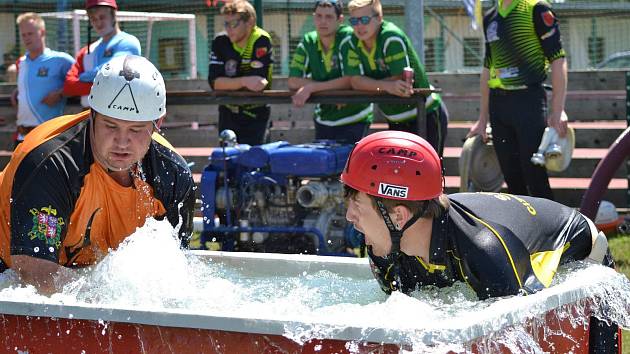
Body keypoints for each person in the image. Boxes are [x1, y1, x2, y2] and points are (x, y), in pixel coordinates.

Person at [341, 130, 620, 353]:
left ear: (398, 216)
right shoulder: (385, 248)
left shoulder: (484, 251)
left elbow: (522, 339)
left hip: (581, 254)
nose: (349, 215)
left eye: (357, 203)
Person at [0, 55, 195, 295]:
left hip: (83, 273)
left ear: (158, 123)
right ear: (91, 114)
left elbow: (179, 269)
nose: (122, 142)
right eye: (110, 126)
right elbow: (36, 273)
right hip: (9, 267)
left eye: (136, 129)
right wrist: (109, 295)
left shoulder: (172, 174)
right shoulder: (51, 163)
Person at [467, 0, 568, 199]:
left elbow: (558, 59)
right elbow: (488, 68)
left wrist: (558, 110)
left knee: (535, 176)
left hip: (528, 102)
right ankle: (523, 229)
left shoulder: (537, 9)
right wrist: (482, 118)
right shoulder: (490, 17)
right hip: (499, 106)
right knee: (512, 179)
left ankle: (551, 229)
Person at [343, 0, 448, 156]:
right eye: (354, 21)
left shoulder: (390, 37)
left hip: (426, 114)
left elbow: (399, 78)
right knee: (399, 176)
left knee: (430, 173)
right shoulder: (351, 41)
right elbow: (355, 81)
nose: (359, 26)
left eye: (364, 20)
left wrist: (369, 84)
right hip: (395, 119)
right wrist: (385, 86)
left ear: (379, 18)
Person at [288, 0, 372, 144]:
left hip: (355, 117)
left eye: (329, 17)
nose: (323, 21)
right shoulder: (308, 40)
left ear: (340, 19)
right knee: (324, 165)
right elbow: (293, 80)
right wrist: (333, 91)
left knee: (351, 166)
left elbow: (351, 79)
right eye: (319, 16)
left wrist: (311, 87)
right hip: (323, 118)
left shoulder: (349, 37)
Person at [208, 0, 274, 146]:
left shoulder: (261, 39)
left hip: (256, 113)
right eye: (226, 24)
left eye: (234, 24)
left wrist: (229, 83)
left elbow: (258, 83)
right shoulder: (220, 41)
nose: (229, 29)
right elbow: (215, 83)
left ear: (249, 22)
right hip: (228, 113)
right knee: (227, 162)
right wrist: (244, 81)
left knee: (254, 162)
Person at [10, 13, 75, 147]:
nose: (26, 38)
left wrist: (60, 93)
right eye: (23, 35)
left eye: (30, 33)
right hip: (22, 135)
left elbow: (78, 83)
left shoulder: (61, 60)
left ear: (42, 32)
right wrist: (18, 91)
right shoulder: (21, 63)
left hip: (48, 136)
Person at [64, 0, 141, 108]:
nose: (98, 23)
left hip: (116, 115)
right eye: (94, 19)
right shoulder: (87, 50)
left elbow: (111, 71)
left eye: (102, 17)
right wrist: (101, 81)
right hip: (87, 115)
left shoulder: (128, 42)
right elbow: (69, 86)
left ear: (113, 15)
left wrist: (82, 77)